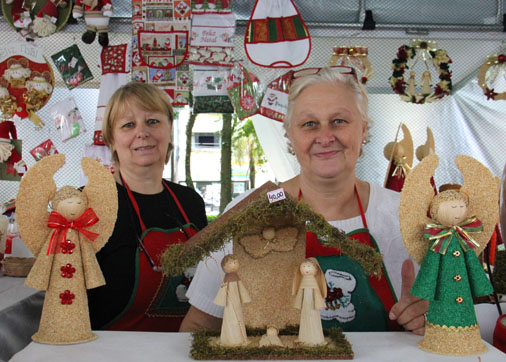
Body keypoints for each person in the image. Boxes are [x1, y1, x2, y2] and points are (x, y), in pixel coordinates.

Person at [180, 67, 428, 334]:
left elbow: (457, 322)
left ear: (363, 129)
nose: (325, 137)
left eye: (339, 121)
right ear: (290, 134)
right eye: (309, 124)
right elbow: (199, 326)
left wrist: (434, 320)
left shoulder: (407, 215)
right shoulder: (250, 213)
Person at [87, 82, 207, 331]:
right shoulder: (90, 203)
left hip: (185, 347)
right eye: (128, 125)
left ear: (169, 130)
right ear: (111, 140)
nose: (142, 132)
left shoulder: (190, 201)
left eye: (153, 121)